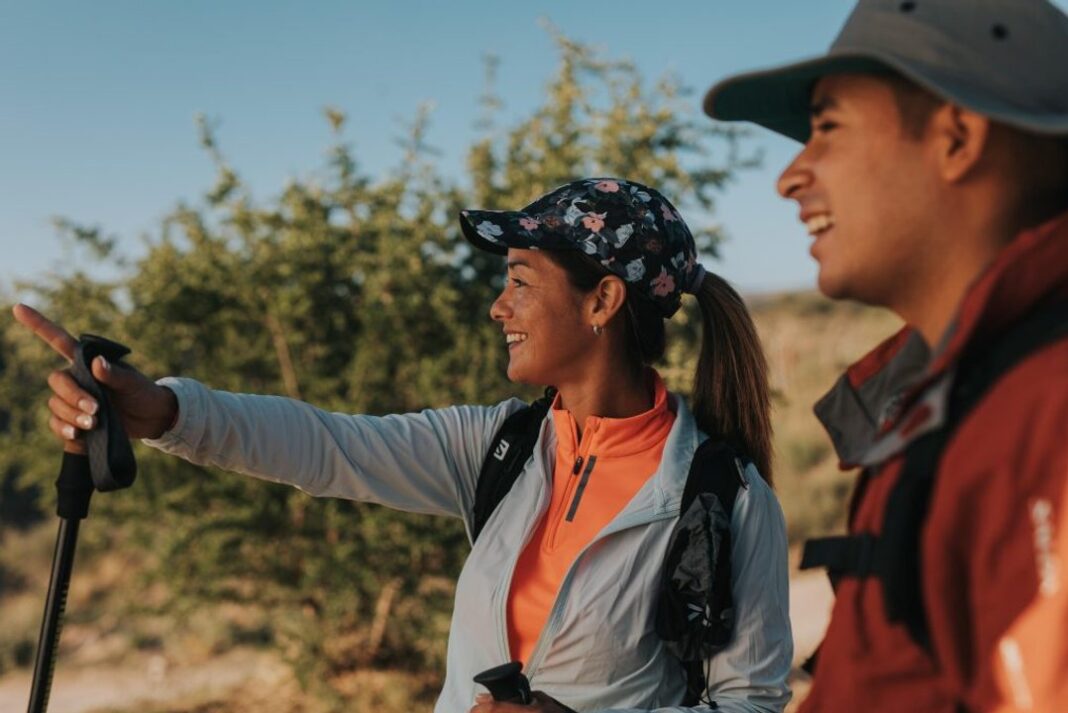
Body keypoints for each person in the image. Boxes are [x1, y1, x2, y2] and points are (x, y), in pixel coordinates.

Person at [15, 178, 792, 712]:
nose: (499, 307)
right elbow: (327, 446)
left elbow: (751, 702)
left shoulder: (726, 499)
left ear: (604, 299)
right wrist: (165, 411)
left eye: (521, 279)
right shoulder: (502, 446)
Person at [703, 1, 1068, 712]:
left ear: (957, 139)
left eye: (827, 128)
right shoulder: (960, 399)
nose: (789, 177)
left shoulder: (1045, 414)